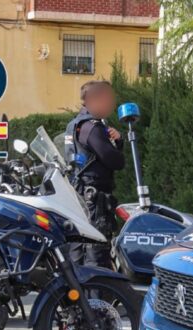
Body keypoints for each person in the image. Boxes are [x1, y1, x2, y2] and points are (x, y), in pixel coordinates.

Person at [64, 80, 125, 268]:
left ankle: (75, 284)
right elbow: (115, 161)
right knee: (95, 250)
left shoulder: (74, 125)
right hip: (94, 198)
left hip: (78, 193)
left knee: (77, 246)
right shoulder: (93, 127)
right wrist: (119, 142)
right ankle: (95, 287)